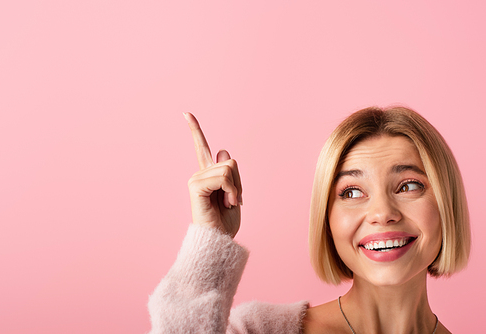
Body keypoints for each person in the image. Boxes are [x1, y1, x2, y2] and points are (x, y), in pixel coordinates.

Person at [148, 106, 470, 334]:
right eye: (352, 192)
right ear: (327, 220)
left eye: (408, 186)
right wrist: (209, 240)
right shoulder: (260, 330)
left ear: (446, 205)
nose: (382, 213)